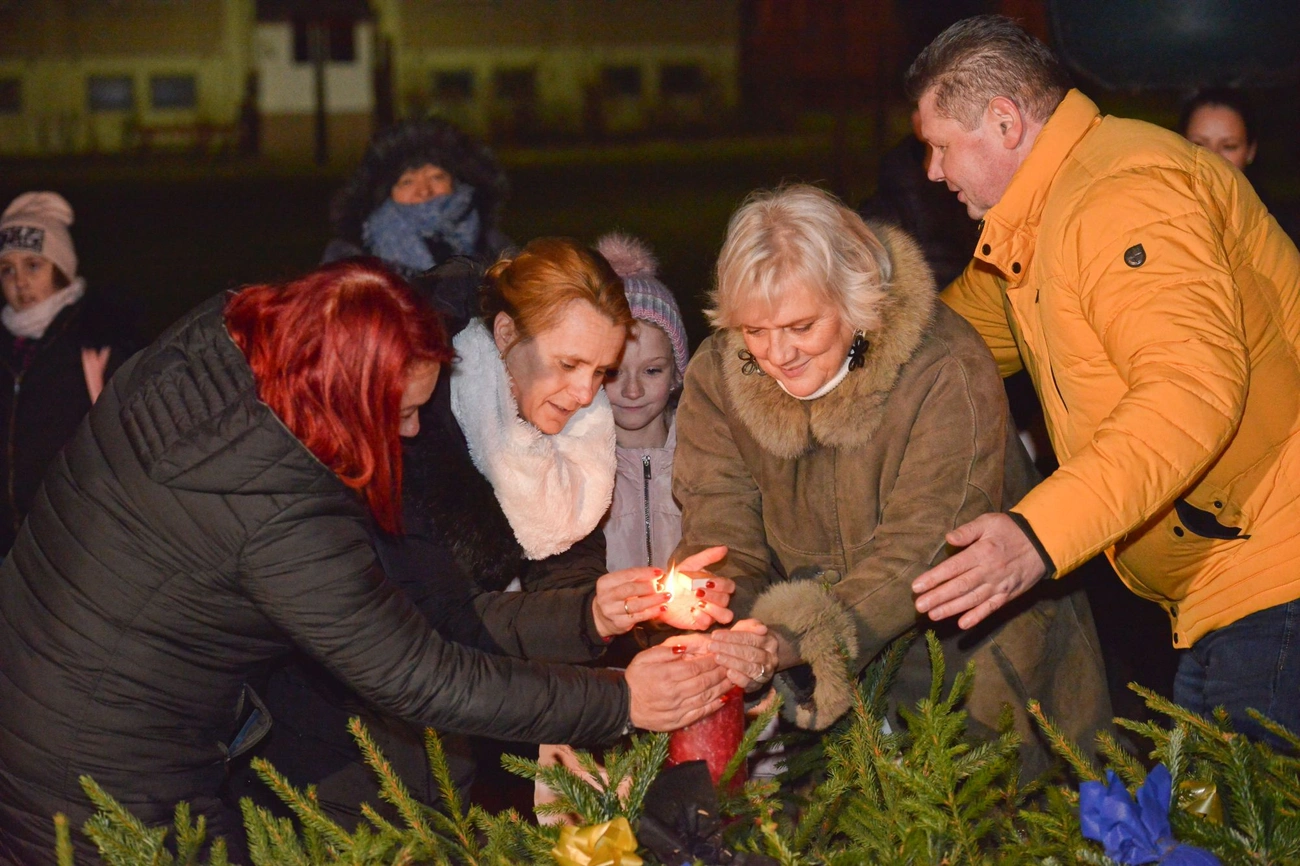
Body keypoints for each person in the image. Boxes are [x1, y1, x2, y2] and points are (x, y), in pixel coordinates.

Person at [0, 259, 738, 865]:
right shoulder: (283, 508)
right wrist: (618, 701)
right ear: (344, 398)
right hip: (97, 777)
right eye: (400, 412)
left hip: (44, 694)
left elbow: (434, 609)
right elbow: (416, 672)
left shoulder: (235, 335)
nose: (412, 432)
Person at [249, 240, 776, 824]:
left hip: (474, 726)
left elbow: (565, 557)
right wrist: (606, 668)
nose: (585, 393)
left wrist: (606, 606)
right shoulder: (417, 419)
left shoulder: (577, 430)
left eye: (598, 371)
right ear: (504, 336)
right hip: (345, 749)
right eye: (569, 364)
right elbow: (444, 622)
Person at [906, 16, 1300, 745]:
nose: (931, 172)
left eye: (939, 147)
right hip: (1221, 592)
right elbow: (946, 345)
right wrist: (832, 338)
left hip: (1276, 577)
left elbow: (1189, 395)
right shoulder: (1037, 224)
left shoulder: (1120, 196)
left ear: (1004, 121)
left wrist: (1036, 535)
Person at [671, 184, 1110, 778]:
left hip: (978, 670)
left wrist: (796, 637)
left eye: (801, 325)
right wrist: (732, 633)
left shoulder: (942, 365)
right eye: (754, 331)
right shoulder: (720, 377)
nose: (778, 355)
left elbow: (922, 548)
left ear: (857, 300)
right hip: (813, 686)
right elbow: (722, 531)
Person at [0, 191, 141, 558]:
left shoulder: (95, 341)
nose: (19, 282)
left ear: (60, 268)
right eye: (7, 269)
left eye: (33, 265)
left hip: (69, 543)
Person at [322, 117, 511, 321]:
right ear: (385, 193)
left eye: (436, 177)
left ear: (458, 182)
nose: (424, 191)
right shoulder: (351, 254)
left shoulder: (492, 245)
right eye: (407, 181)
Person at [596, 232, 691, 573]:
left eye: (652, 370)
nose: (633, 391)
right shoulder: (577, 462)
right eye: (613, 373)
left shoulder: (705, 449)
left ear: (677, 373)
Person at [1178, 87, 1299, 242]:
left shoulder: (1279, 232)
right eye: (1198, 145)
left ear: (1250, 151)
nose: (1213, 157)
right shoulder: (1154, 213)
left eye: (1229, 146)